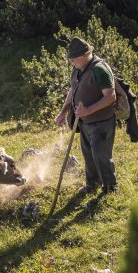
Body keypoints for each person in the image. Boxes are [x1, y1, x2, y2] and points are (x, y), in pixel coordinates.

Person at [54, 37, 118, 195]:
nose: (71, 62)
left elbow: (110, 96)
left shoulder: (99, 69)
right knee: (88, 155)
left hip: (101, 122)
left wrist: (88, 110)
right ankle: (92, 184)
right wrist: (63, 112)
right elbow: (72, 90)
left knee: (100, 155)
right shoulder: (78, 68)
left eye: (73, 59)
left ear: (84, 55)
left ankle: (110, 188)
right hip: (84, 122)